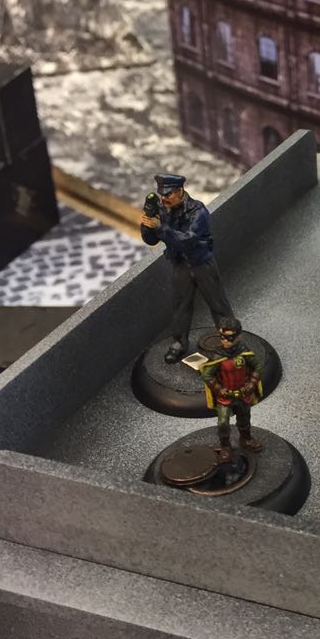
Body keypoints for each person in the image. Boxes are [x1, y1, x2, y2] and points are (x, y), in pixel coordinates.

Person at [139, 172, 234, 363]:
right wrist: (147, 224)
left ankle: (230, 340)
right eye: (162, 195)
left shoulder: (198, 211)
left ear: (180, 191)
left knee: (217, 303)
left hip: (201, 263)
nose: (164, 198)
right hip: (181, 264)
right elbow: (151, 241)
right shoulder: (163, 210)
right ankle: (179, 343)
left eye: (168, 194)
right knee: (181, 304)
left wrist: (161, 227)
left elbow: (188, 241)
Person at [200, 317, 263, 464]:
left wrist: (252, 383)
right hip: (225, 397)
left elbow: (258, 366)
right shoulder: (218, 356)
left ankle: (246, 440)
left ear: (239, 336)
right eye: (222, 337)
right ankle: (225, 447)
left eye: (230, 338)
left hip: (242, 394)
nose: (225, 341)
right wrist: (218, 389)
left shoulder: (244, 352)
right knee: (223, 423)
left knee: (244, 418)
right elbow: (207, 374)